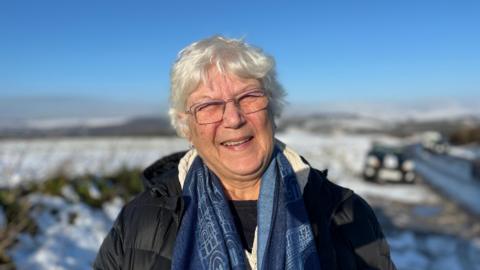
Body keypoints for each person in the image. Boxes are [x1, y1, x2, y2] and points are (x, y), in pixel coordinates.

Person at [94, 36, 396, 270]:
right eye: (208, 106)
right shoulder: (140, 221)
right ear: (187, 126)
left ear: (272, 108)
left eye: (249, 97)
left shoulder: (344, 214)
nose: (234, 118)